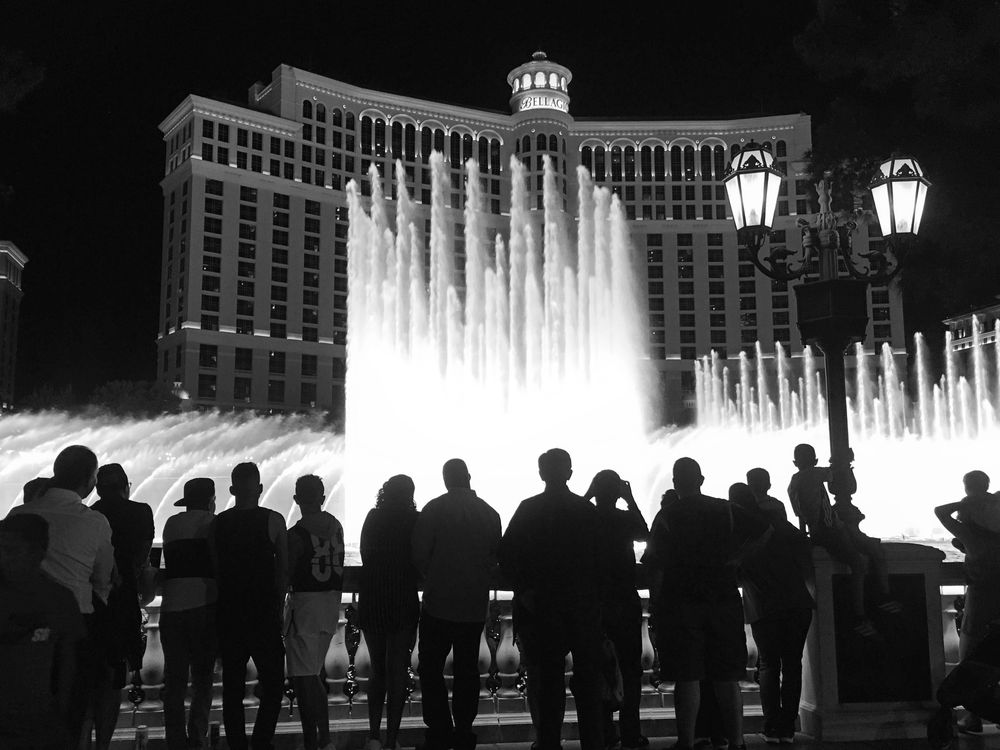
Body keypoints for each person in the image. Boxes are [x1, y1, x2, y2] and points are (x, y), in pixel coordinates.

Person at [642, 458, 769, 750]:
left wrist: (657, 607)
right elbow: (765, 531)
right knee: (727, 676)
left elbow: (656, 567)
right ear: (701, 480)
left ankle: (686, 741)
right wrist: (739, 558)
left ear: (674, 482)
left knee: (687, 677)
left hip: (682, 602)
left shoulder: (667, 515)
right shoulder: (724, 509)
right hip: (723, 599)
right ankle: (736, 741)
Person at [7, 445, 114, 745]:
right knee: (69, 707)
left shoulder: (19, 514)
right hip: (75, 625)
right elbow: (103, 578)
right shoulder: (94, 522)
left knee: (22, 704)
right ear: (90, 481)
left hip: (21, 622)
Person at [500, 448, 604, 750]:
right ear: (570, 472)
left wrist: (525, 590)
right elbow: (603, 559)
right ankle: (593, 742)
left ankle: (548, 743)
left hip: (542, 606)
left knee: (547, 682)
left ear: (541, 473)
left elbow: (506, 556)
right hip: (582, 606)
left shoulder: (529, 509)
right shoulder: (586, 511)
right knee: (588, 682)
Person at [412, 459, 502, 750]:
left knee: (430, 668)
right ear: (469, 477)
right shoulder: (490, 514)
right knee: (467, 670)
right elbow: (495, 557)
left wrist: (435, 576)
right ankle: (464, 730)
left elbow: (419, 555)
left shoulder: (434, 509)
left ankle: (439, 730)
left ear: (445, 480)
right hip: (473, 606)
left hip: (438, 603)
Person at [212, 462, 288, 750]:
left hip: (229, 613)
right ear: (260, 488)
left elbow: (216, 570)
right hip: (263, 613)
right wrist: (279, 607)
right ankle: (261, 742)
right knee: (273, 683)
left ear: (231, 490)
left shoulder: (218, 523)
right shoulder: (273, 520)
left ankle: (237, 745)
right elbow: (283, 570)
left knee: (232, 688)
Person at [730, 483, 813, 744]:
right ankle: (787, 726)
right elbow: (805, 547)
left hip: (764, 607)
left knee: (768, 664)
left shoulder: (738, 532)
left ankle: (771, 725)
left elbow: (735, 568)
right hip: (796, 603)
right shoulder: (778, 524)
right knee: (792, 665)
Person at [787, 443, 897, 638]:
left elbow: (800, 514)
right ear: (814, 461)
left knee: (866, 551)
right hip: (830, 530)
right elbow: (835, 474)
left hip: (823, 529)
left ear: (795, 462)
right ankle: (863, 613)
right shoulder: (813, 474)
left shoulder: (794, 482)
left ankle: (875, 603)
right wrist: (844, 460)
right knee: (858, 562)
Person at [0, 513, 86, 750]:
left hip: (39, 723)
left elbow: (69, 662)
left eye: (12, 550)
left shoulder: (58, 600)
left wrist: (62, 714)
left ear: (38, 552)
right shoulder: (59, 598)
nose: (3, 558)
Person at [88, 463, 155, 750]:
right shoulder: (141, 512)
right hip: (124, 601)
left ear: (98, 488)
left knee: (86, 678)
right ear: (127, 485)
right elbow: (142, 556)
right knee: (115, 679)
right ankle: (102, 742)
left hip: (91, 604)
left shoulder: (90, 515)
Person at [584, 469, 648, 750]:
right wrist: (631, 499)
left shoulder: (585, 517)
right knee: (630, 669)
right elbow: (645, 534)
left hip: (593, 602)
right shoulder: (624, 519)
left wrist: (587, 495)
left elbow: (573, 522)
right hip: (624, 600)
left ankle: (603, 731)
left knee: (595, 668)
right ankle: (631, 733)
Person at [358, 475, 420, 750]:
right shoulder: (414, 520)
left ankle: (373, 734)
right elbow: (419, 559)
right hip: (402, 598)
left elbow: (365, 554)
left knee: (378, 669)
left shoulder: (373, 517)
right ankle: (392, 737)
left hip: (373, 596)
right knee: (397, 671)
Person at [935, 474, 1000, 735]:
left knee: (972, 653)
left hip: (982, 595)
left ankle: (973, 716)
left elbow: (940, 511)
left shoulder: (970, 532)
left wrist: (966, 504)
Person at [285, 475, 345, 750]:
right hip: (330, 605)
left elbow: (285, 575)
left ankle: (324, 738)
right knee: (311, 674)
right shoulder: (337, 527)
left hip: (305, 609)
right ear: (322, 497)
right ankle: (314, 738)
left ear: (297, 499)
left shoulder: (295, 535)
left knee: (306, 679)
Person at [160, 478, 219, 750]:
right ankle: (197, 738)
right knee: (203, 679)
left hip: (171, 608)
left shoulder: (171, 524)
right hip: (203, 606)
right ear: (210, 501)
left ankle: (174, 740)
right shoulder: (212, 524)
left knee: (175, 681)